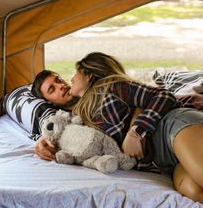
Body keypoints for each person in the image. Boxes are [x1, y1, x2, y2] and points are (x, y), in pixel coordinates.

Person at [69, 52, 203, 203]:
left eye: (76, 73)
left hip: (173, 128)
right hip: (165, 161)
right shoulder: (80, 114)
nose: (71, 79)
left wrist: (136, 131)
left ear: (89, 75)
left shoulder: (112, 86)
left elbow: (163, 96)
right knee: (195, 193)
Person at [31, 69, 78, 160]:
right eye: (52, 89)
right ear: (49, 101)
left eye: (59, 80)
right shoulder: (62, 118)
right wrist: (44, 138)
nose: (61, 86)